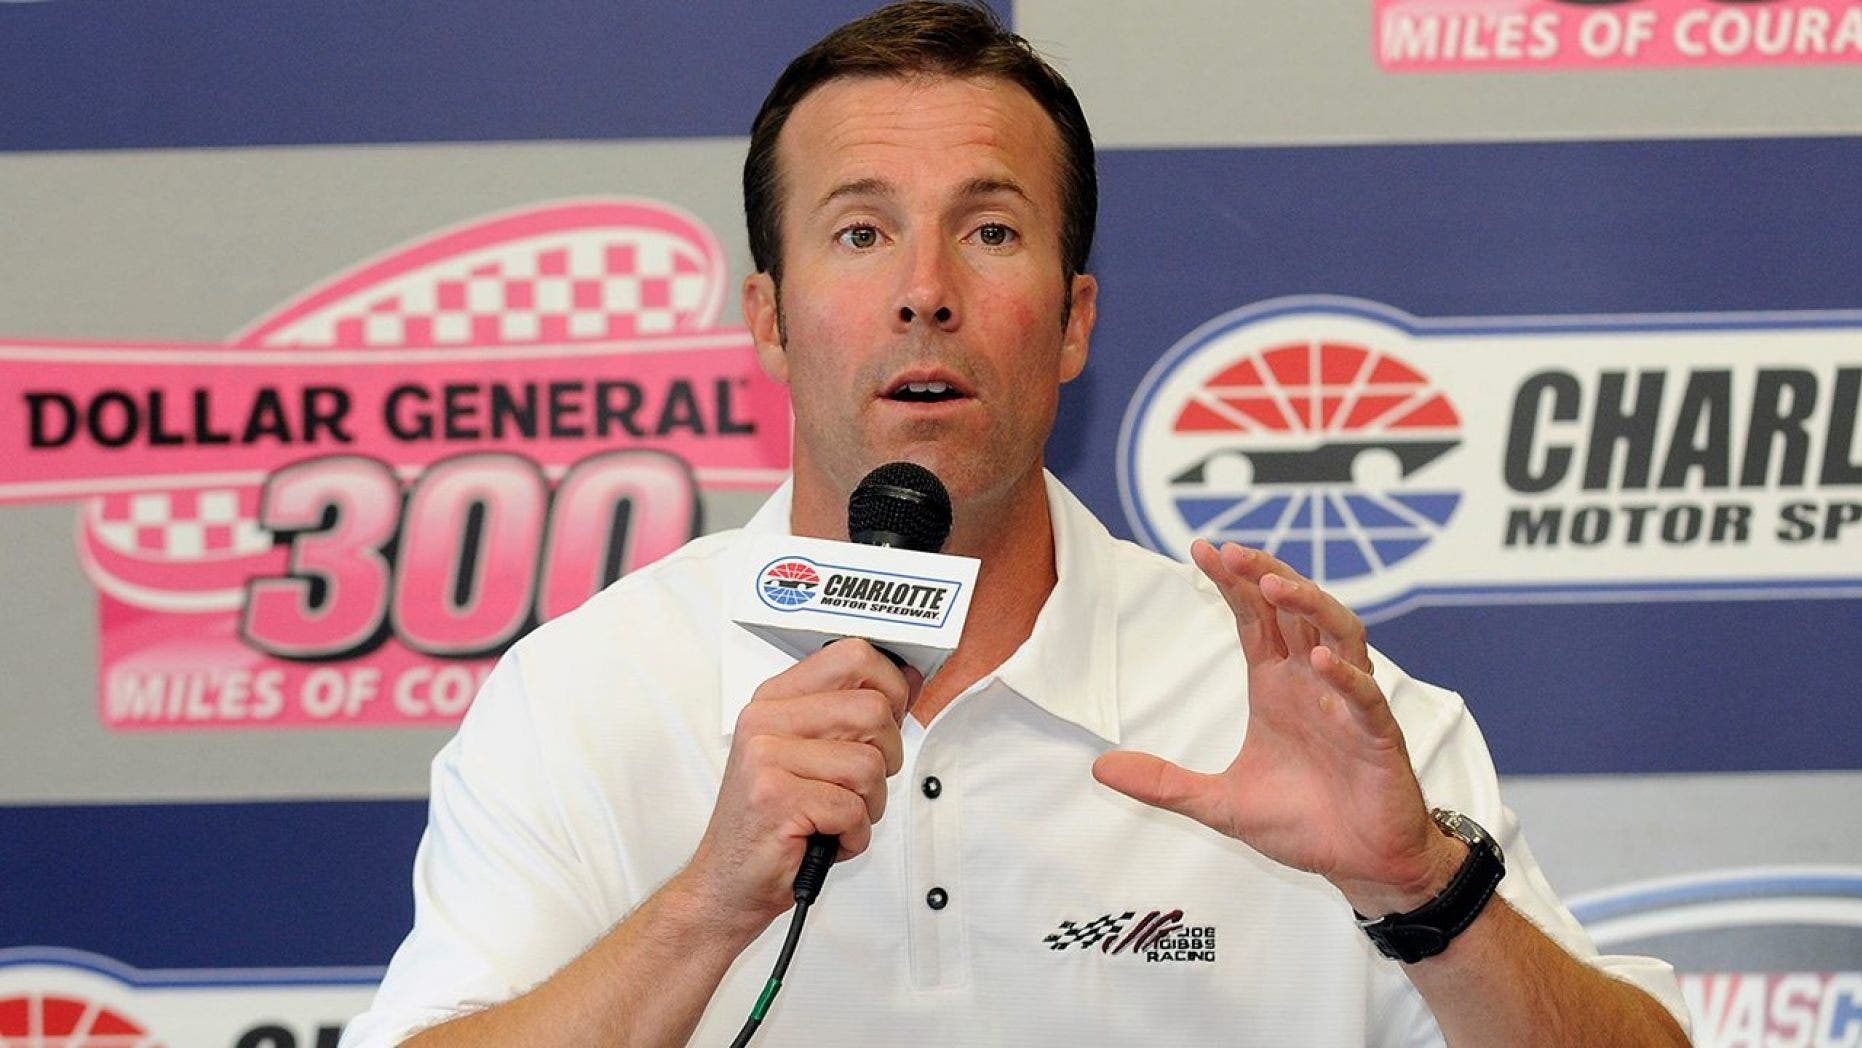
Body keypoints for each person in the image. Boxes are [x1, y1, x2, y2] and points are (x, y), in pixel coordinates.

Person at [342, 3, 1691, 1045]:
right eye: (860, 235)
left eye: (988, 232)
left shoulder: (1297, 709)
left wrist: (1416, 887)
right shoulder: (590, 694)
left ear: (1074, 321)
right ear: (765, 315)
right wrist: (708, 903)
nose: (924, 292)